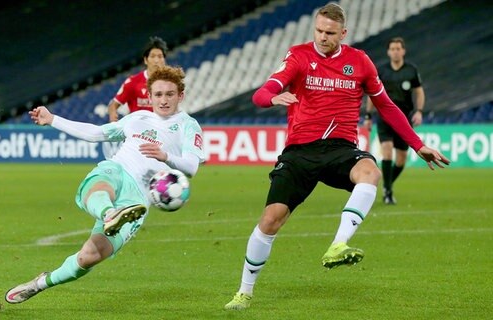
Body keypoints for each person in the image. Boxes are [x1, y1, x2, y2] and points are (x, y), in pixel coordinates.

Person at [224, 3, 449, 311]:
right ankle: (244, 292)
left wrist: (416, 143)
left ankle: (338, 244)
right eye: (318, 30)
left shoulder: (360, 62)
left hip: (340, 149)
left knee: (370, 172)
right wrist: (273, 98)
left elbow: (385, 106)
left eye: (329, 33)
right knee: (271, 220)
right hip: (300, 152)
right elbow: (262, 93)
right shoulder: (298, 56)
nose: (322, 37)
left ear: (343, 33)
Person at [5, 66, 205, 304]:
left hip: (139, 199)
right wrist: (52, 119)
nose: (163, 100)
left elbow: (191, 167)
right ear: (149, 96)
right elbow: (97, 133)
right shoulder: (137, 118)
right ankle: (110, 213)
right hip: (118, 169)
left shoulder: (187, 125)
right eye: (158, 95)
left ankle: (40, 283)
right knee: (100, 186)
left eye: (169, 94)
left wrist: (166, 157)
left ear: (180, 96)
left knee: (90, 256)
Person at [364, 37, 425, 205]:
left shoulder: (411, 70)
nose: (396, 51)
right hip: (384, 118)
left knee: (401, 160)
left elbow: (419, 92)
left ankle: (387, 185)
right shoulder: (382, 71)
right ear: (388, 51)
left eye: (399, 48)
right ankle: (388, 192)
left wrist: (419, 111)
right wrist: (368, 115)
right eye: (393, 49)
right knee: (387, 151)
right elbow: (372, 93)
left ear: (403, 51)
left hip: (404, 119)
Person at [108, 36, 168, 122]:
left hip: (161, 130)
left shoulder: (170, 83)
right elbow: (113, 105)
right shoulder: (133, 82)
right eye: (153, 56)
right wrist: (113, 118)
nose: (156, 60)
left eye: (160, 56)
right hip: (138, 131)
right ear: (145, 60)